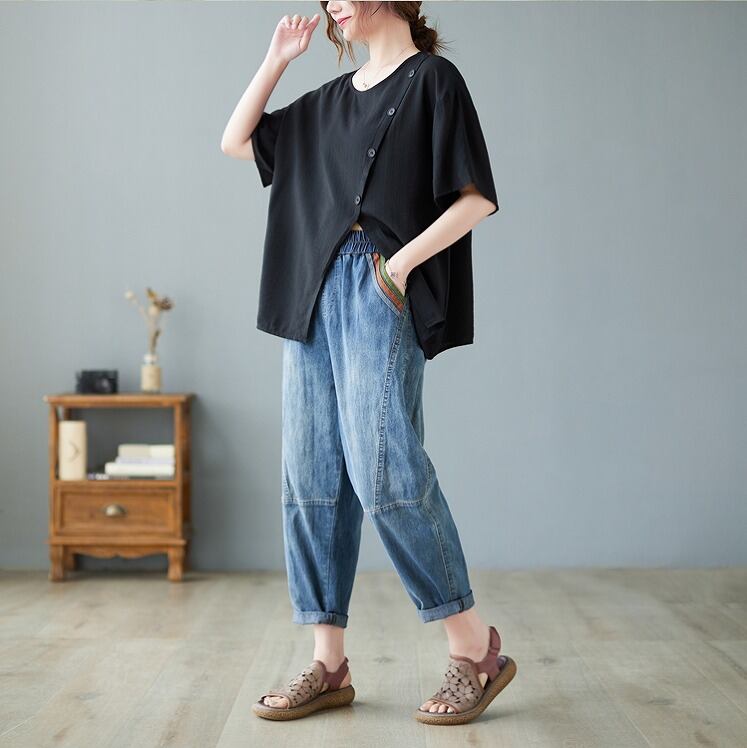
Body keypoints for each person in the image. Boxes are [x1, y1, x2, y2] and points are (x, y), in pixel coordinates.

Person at [221, 1, 516, 725]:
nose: (331, 6)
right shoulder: (325, 101)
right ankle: (327, 664)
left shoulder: (432, 81)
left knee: (384, 468)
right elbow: (236, 141)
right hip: (309, 289)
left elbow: (475, 199)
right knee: (311, 475)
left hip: (377, 284)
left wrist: (399, 268)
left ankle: (475, 649)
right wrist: (276, 61)